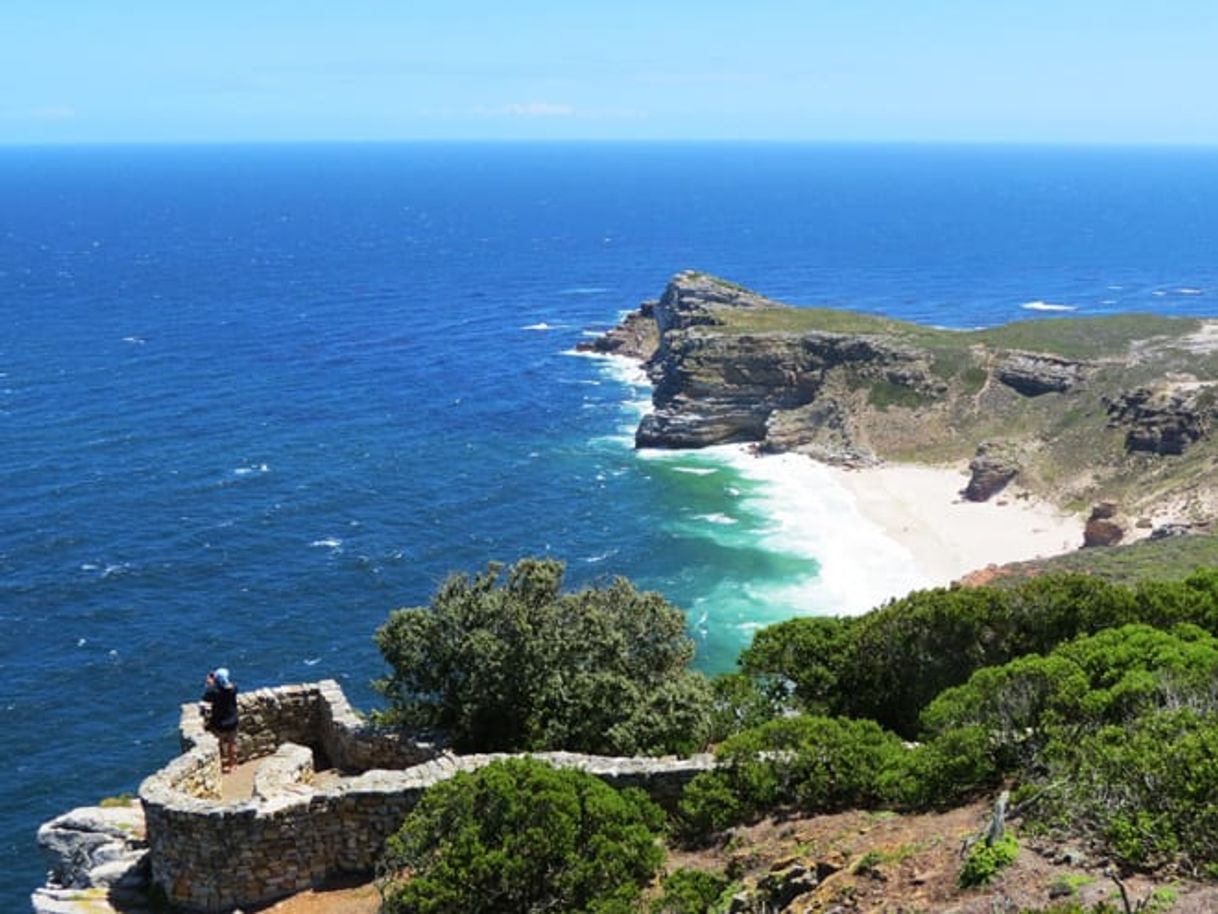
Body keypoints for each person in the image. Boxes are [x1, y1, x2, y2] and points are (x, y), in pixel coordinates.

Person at [201, 667, 239, 772]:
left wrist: (210, 684)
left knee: (220, 744)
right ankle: (233, 765)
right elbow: (227, 685)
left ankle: (221, 765)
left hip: (219, 723)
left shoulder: (214, 691)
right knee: (232, 743)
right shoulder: (234, 688)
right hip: (232, 721)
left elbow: (205, 698)